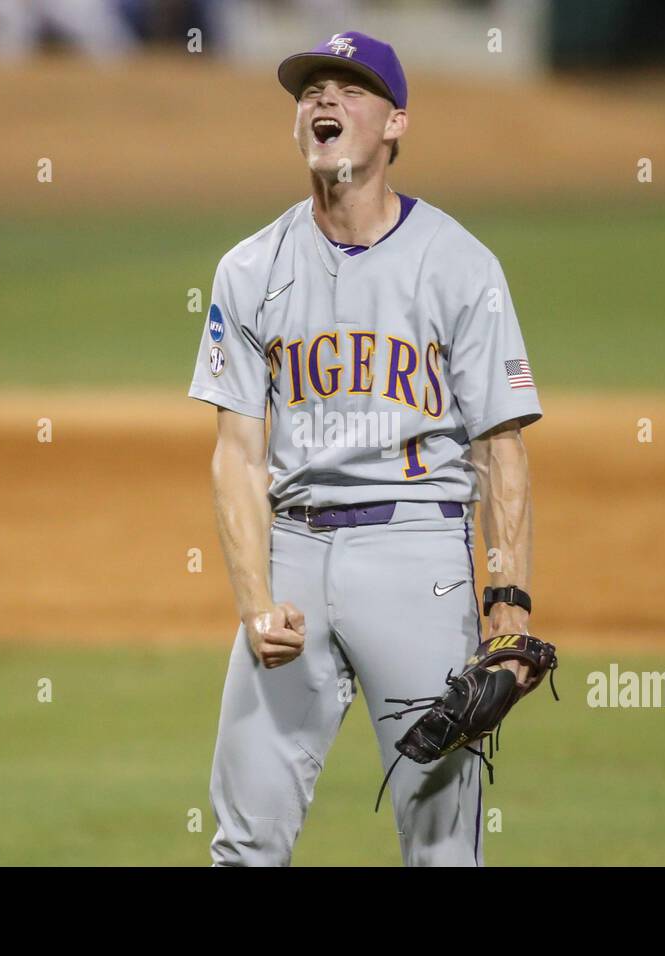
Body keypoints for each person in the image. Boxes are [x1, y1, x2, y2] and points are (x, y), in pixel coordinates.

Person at [187, 31, 541, 867]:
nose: (323, 99)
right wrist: (253, 597)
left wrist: (510, 599)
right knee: (242, 846)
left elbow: (500, 447)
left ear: (395, 124)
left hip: (419, 556)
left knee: (443, 848)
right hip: (297, 557)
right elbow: (237, 453)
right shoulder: (249, 268)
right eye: (311, 88)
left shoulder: (460, 266)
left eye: (351, 86)